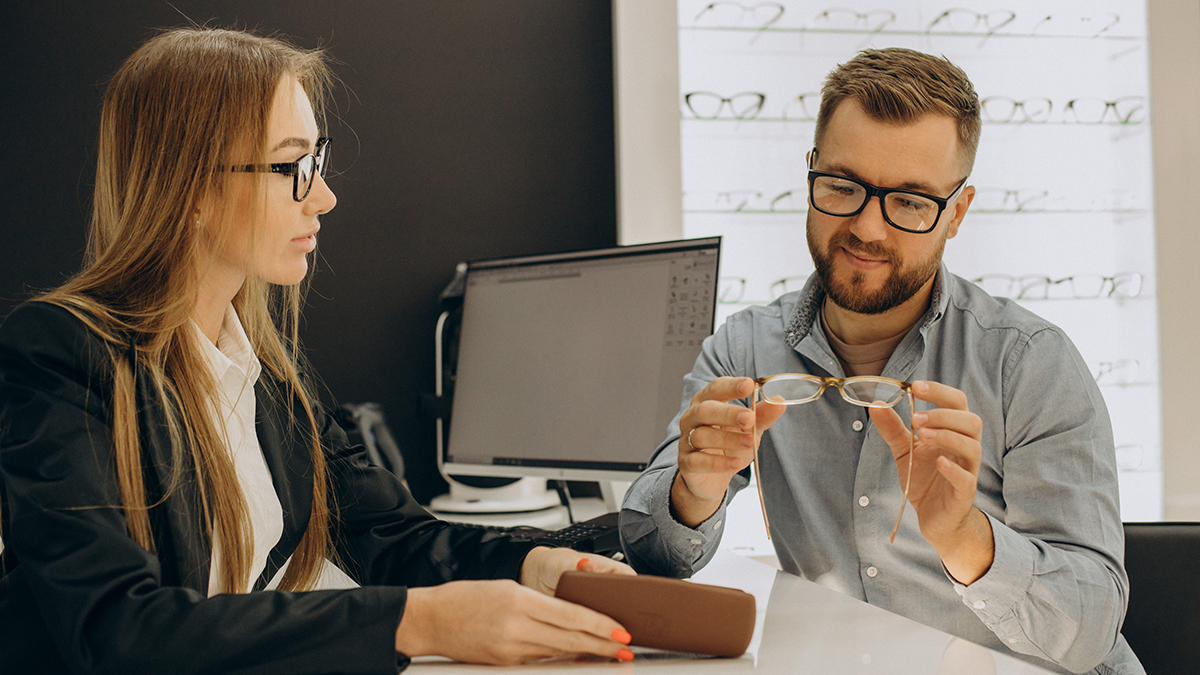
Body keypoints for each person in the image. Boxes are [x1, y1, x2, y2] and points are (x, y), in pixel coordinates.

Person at [0, 27, 637, 674]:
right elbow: (118, 629)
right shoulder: (58, 356)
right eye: (291, 167)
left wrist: (538, 564)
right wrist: (416, 621)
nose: (324, 197)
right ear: (191, 187)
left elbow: (392, 536)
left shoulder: (268, 377)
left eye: (318, 161)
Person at [619, 48, 1145, 675]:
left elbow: (1091, 632)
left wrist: (966, 538)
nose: (868, 228)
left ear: (956, 213)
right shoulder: (743, 349)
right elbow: (653, 556)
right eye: (842, 186)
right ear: (810, 175)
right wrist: (692, 494)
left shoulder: (1029, 363)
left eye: (912, 202)